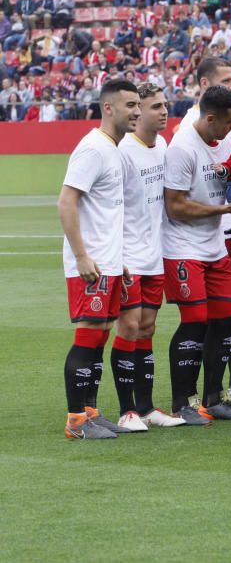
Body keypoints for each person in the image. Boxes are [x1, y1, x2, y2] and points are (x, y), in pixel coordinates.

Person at [162, 86, 231, 423]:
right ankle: (182, 403)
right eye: (228, 123)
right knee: (195, 321)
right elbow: (175, 206)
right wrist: (223, 208)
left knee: (227, 319)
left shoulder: (226, 140)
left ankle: (213, 399)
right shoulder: (183, 148)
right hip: (183, 247)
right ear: (210, 117)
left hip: (214, 247)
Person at [59, 79, 140, 440]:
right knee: (88, 336)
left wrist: (116, 258)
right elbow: (66, 201)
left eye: (139, 105)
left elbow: (107, 212)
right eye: (130, 105)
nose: (136, 111)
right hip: (90, 264)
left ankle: (90, 411)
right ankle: (76, 419)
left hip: (107, 262)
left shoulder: (114, 149)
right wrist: (81, 256)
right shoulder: (93, 148)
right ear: (108, 108)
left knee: (101, 335)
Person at [114, 82, 186, 430]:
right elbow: (108, 207)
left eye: (164, 104)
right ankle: (126, 410)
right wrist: (114, 254)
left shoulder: (163, 147)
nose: (163, 111)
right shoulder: (123, 151)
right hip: (128, 255)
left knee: (148, 327)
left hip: (154, 255)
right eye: (155, 106)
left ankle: (146, 408)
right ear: (137, 110)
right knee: (128, 327)